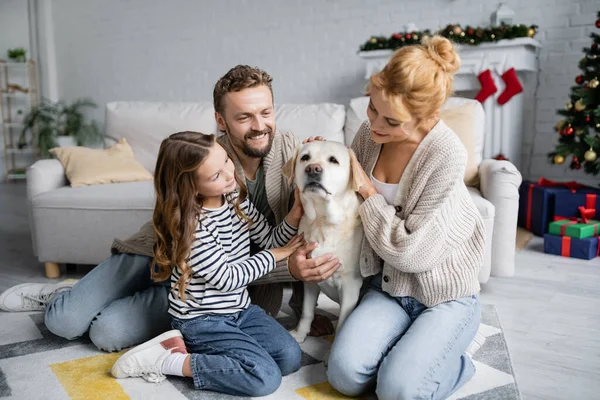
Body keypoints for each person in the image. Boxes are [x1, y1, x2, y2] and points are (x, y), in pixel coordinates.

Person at [0, 65, 339, 352]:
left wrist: (300, 305)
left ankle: (115, 302)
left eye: (266, 113)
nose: (259, 126)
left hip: (208, 288)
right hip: (161, 252)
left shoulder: (294, 150)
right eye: (244, 117)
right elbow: (272, 251)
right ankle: (62, 293)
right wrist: (287, 265)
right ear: (221, 121)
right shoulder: (207, 156)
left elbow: (307, 222)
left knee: (108, 333)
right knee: (65, 321)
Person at [326, 36, 485, 400]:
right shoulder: (370, 134)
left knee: (397, 391)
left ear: (428, 118)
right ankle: (410, 349)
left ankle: (456, 362)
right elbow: (345, 190)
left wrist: (367, 192)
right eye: (372, 108)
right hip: (388, 288)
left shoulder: (446, 155)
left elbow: (410, 252)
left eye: (392, 120)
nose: (376, 124)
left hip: (444, 293)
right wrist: (326, 157)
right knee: (344, 376)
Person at [111, 132, 303, 396]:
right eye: (215, 176)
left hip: (240, 310)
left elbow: (269, 238)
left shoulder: (236, 198)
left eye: (226, 160)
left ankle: (211, 349)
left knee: (290, 357)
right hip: (202, 320)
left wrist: (294, 216)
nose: (229, 173)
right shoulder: (192, 227)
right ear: (189, 186)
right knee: (265, 378)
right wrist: (279, 254)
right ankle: (171, 359)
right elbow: (229, 279)